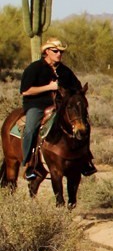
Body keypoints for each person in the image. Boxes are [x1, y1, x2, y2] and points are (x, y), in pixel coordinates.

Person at [17, 38, 86, 181]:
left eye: (61, 52)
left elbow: (77, 88)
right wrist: (49, 87)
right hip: (37, 105)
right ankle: (29, 164)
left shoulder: (65, 71)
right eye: (56, 51)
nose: (59, 54)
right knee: (30, 128)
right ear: (47, 52)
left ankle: (86, 160)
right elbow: (25, 91)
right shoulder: (34, 68)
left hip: (61, 107)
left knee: (83, 124)